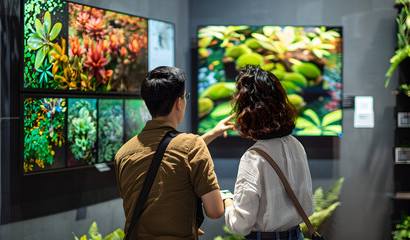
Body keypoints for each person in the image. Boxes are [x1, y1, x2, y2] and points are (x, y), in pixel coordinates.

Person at [114, 66, 235, 240]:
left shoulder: (123, 153)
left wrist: (211, 134)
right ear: (179, 102)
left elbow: (149, 198)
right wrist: (227, 198)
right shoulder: (192, 146)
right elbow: (215, 211)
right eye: (185, 96)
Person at [223, 65, 314, 240]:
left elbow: (240, 224)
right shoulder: (296, 145)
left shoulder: (253, 158)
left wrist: (227, 200)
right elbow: (307, 205)